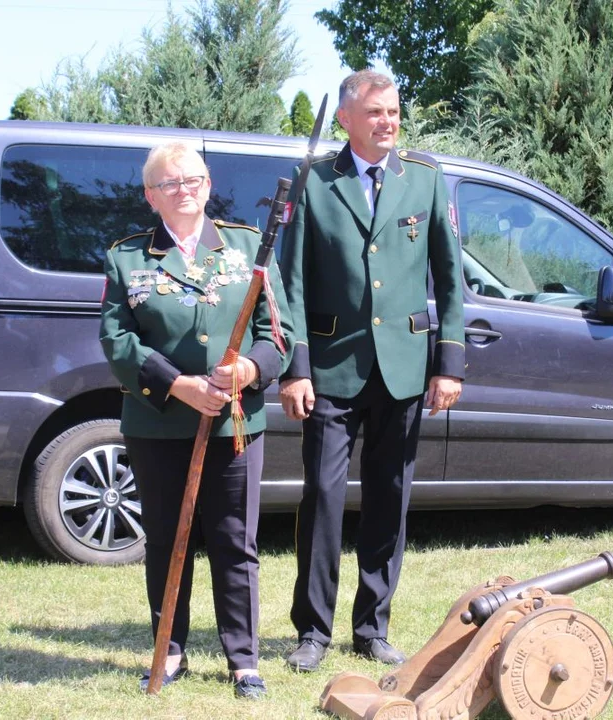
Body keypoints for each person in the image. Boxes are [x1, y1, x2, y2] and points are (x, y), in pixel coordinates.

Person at [279, 69, 466, 671]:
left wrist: (450, 365)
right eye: (375, 113)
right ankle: (312, 631)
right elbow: (293, 283)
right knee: (325, 497)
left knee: (391, 497)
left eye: (393, 112)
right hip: (331, 367)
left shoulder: (426, 181)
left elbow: (449, 278)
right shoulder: (314, 182)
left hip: (405, 368)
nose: (388, 122)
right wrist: (295, 369)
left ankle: (372, 627)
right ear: (346, 120)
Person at [99, 141, 291, 698]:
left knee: (236, 540)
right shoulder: (127, 257)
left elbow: (278, 330)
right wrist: (177, 385)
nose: (184, 190)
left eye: (193, 180)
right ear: (150, 195)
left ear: (208, 185)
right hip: (158, 425)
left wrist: (250, 371)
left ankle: (243, 658)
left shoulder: (249, 247)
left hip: (234, 426)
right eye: (170, 183)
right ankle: (171, 648)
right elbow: (116, 339)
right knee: (164, 538)